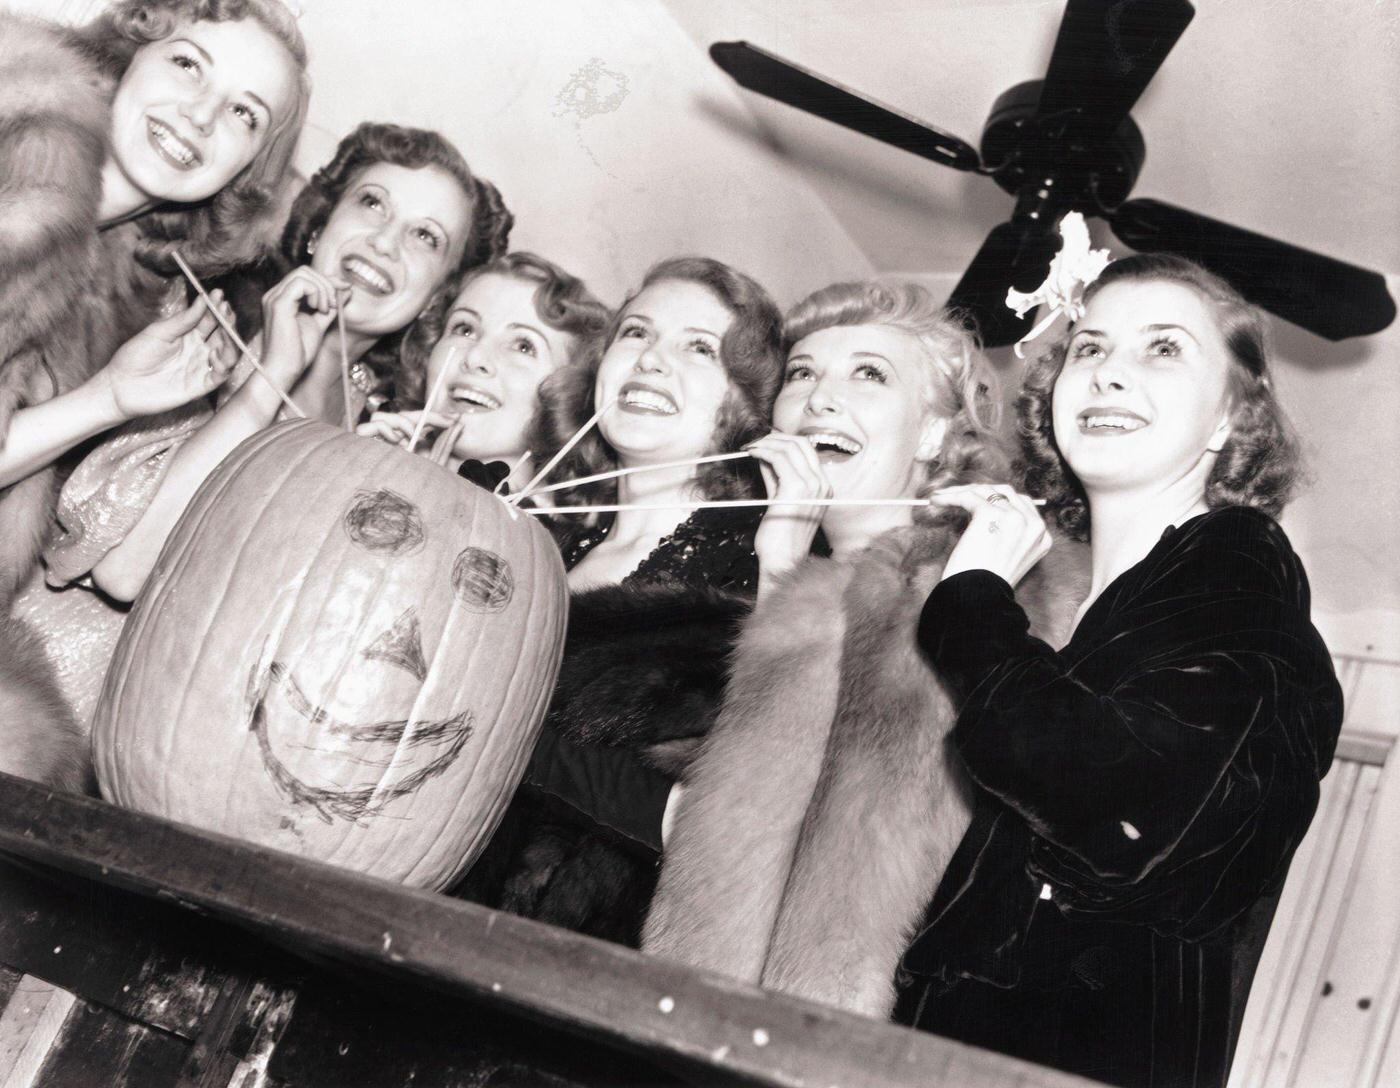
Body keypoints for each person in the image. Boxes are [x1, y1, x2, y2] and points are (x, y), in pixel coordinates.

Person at [888, 254, 1343, 1088]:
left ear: (1229, 420)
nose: (1108, 375)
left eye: (1163, 349)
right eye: (1088, 349)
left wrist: (973, 604)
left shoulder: (1238, 576)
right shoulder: (1099, 604)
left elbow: (1116, 806)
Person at [3, 123, 512, 787]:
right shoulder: (204, 313)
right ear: (318, 228)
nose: (386, 241)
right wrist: (264, 382)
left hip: (168, 770)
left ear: (439, 293)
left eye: (426, 236)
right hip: (31, 701)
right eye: (372, 203)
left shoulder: (377, 435)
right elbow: (127, 571)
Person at [641, 280, 1085, 1017]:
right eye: (803, 375)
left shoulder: (981, 585)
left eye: (868, 374)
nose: (818, 399)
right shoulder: (796, 582)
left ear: (938, 435)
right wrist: (781, 555)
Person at [452, 256, 784, 945]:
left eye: (699, 347)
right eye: (635, 333)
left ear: (748, 399)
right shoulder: (543, 543)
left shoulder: (753, 584)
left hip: (569, 975)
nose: (652, 361)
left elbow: (702, 827)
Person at [0, 0, 309, 606]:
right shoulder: (13, 150)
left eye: (245, 113)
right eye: (189, 65)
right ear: (127, 54)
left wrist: (108, 397)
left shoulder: (119, 301)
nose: (201, 115)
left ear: (246, 171)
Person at [357, 252, 610, 493]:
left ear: (573, 395)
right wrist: (357, 469)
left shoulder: (552, 537)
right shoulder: (376, 461)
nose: (476, 357)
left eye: (523, 346)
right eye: (464, 329)